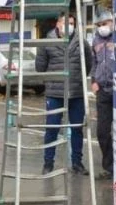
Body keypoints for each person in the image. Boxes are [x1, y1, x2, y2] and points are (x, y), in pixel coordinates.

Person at [36, 13, 93, 175]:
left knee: (77, 129)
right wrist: (50, 82)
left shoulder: (81, 42)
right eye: (66, 22)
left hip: (76, 93)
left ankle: (77, 163)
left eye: (72, 23)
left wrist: (78, 79)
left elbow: (88, 63)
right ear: (58, 24)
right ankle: (48, 163)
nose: (70, 26)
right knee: (52, 129)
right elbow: (40, 67)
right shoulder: (47, 42)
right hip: (55, 93)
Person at [90, 11, 114, 180]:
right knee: (102, 132)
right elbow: (94, 62)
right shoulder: (96, 41)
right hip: (102, 90)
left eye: (104, 23)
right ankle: (109, 166)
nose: (102, 28)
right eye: (99, 25)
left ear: (112, 22)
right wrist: (93, 80)